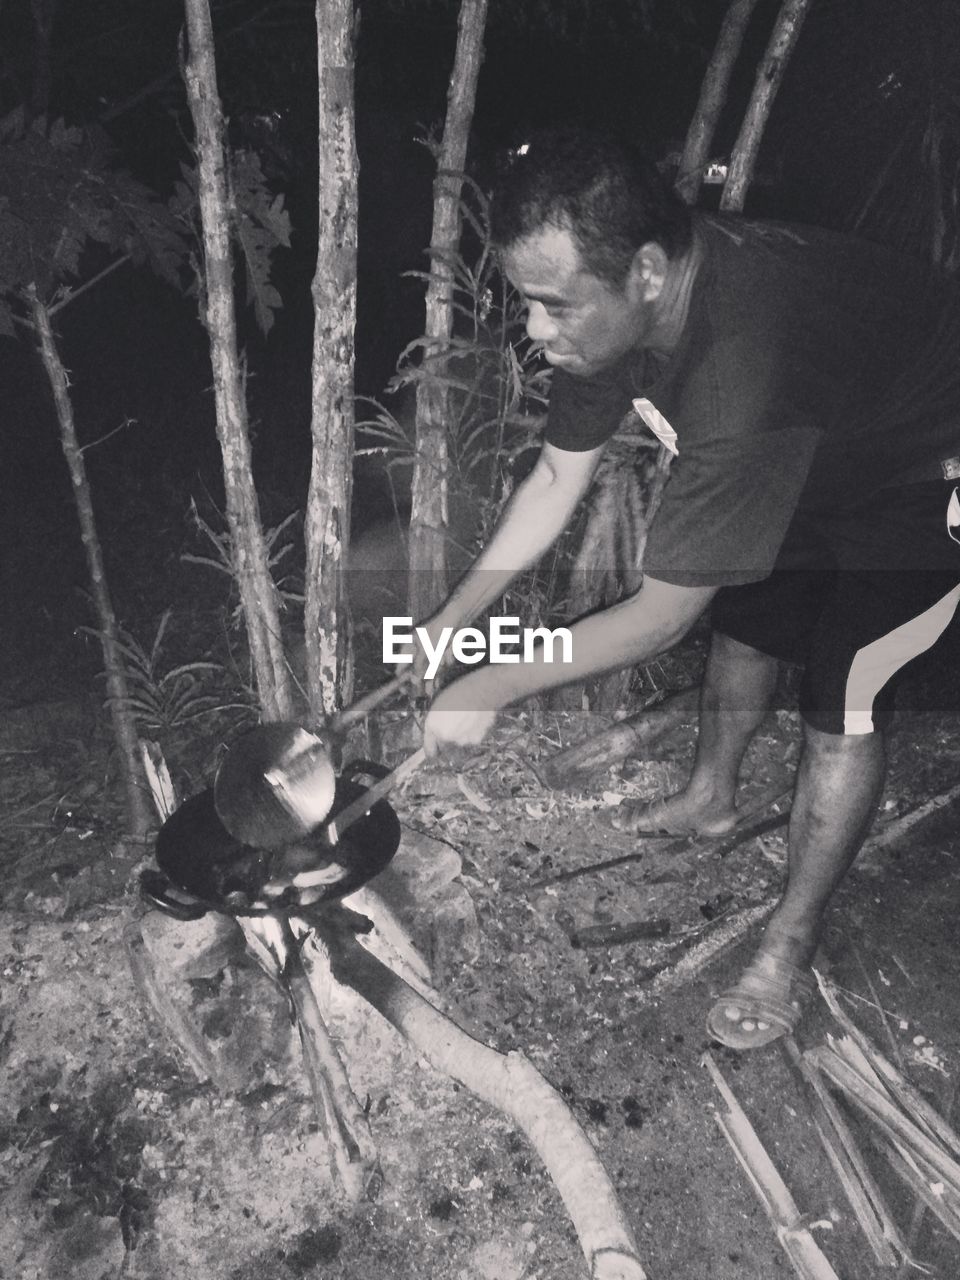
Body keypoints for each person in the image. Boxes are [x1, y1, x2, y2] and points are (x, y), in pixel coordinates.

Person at [414, 128, 960, 1050]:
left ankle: (788, 940)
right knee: (746, 615)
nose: (535, 334)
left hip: (925, 471)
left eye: (551, 308)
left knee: (844, 693)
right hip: (821, 445)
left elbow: (662, 619)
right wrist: (452, 627)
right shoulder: (613, 323)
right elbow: (553, 483)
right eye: (526, 306)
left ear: (650, 273)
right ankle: (712, 796)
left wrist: (493, 683)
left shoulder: (737, 361)